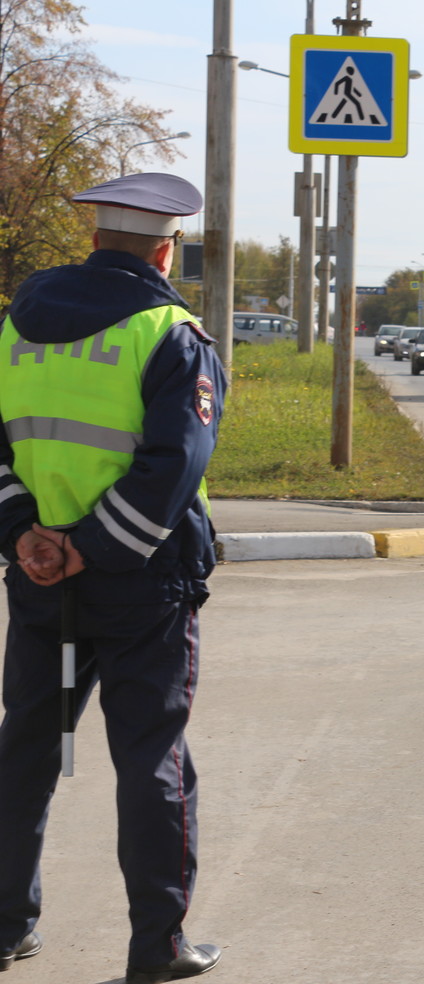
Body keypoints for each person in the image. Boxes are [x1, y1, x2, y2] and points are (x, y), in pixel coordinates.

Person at [0, 173, 226, 983]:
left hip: (37, 579)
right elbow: (172, 471)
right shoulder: (172, 332)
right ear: (166, 250)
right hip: (143, 588)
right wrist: (92, 548)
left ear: (94, 241)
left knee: (24, 747)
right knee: (151, 758)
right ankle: (157, 948)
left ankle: (4, 926)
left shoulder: (15, 322)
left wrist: (28, 538)